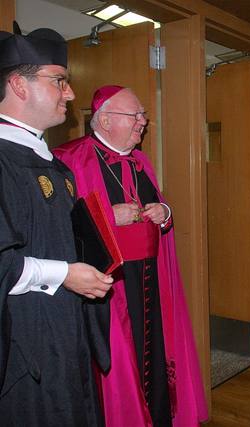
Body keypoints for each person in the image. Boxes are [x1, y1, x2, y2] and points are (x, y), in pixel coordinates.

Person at [53, 86, 208, 427]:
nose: (143, 123)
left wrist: (164, 212)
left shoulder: (141, 160)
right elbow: (61, 227)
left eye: (143, 116)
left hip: (151, 276)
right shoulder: (69, 157)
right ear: (105, 120)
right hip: (108, 285)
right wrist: (110, 216)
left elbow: (159, 208)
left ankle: (157, 416)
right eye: (135, 115)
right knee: (120, 358)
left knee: (153, 350)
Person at [0, 22, 114, 426]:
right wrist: (64, 274)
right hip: (24, 347)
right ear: (19, 85)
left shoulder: (54, 166)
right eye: (59, 81)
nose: (70, 93)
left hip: (66, 335)